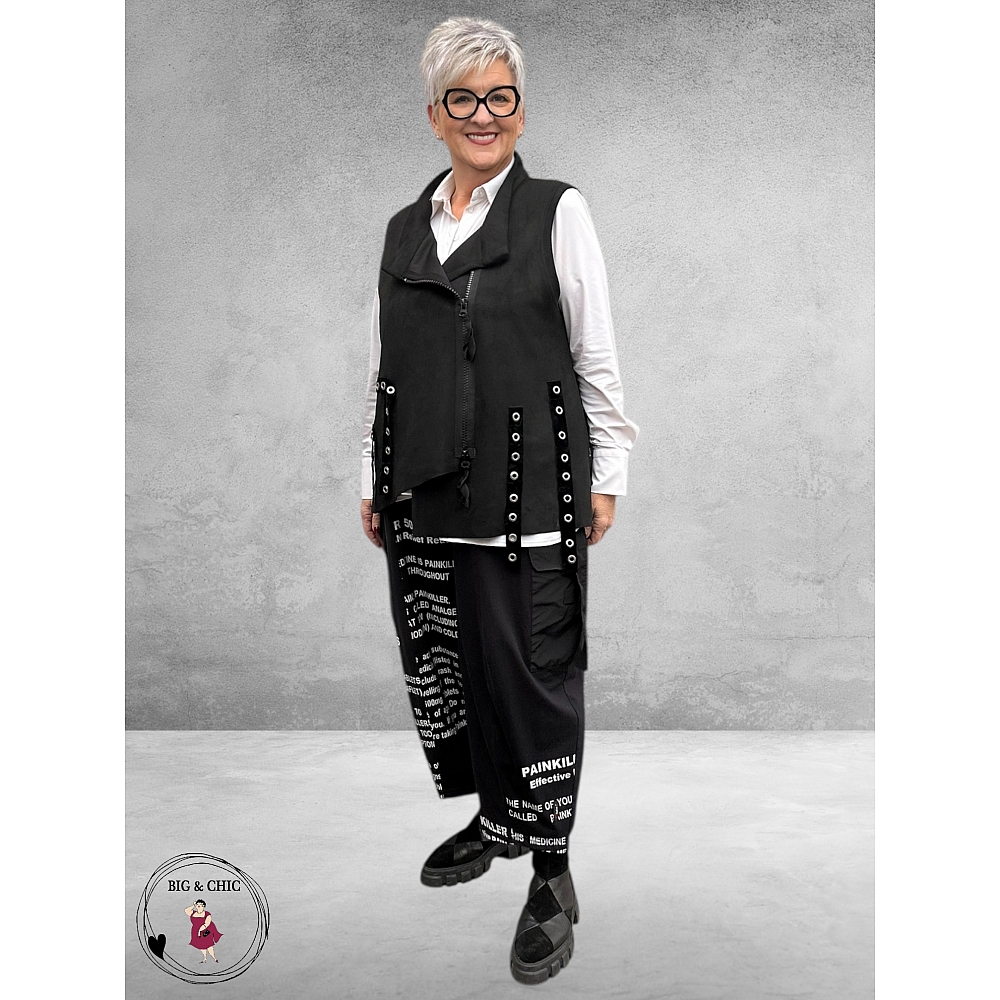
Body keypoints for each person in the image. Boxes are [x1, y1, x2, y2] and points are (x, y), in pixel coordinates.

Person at [360, 16, 638, 985]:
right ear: (435, 114)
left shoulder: (557, 211)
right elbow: (385, 365)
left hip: (531, 489)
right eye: (464, 98)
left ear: (520, 110)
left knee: (533, 672)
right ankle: (498, 816)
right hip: (426, 494)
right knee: (457, 662)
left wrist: (608, 471)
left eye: (500, 96)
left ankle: (551, 872)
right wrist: (371, 476)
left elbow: (595, 351)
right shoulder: (404, 229)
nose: (484, 114)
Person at [184, 899, 222, 963]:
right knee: (201, 946)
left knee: (209, 945)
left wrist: (200, 930)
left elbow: (207, 923)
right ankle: (205, 958)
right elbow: (186, 910)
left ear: (203, 906)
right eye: (197, 904)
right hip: (195, 931)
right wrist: (193, 905)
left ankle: (214, 958)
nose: (199, 906)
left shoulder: (207, 914)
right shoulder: (193, 913)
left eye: (201, 904)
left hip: (206, 931)